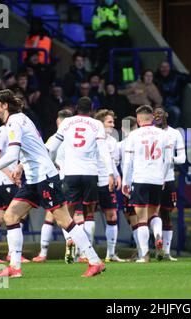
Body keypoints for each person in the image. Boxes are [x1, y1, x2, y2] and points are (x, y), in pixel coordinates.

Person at [0, 89, 106, 278]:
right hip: (34, 178)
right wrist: (21, 166)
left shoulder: (15, 122)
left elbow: (11, 153)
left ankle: (94, 261)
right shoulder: (20, 119)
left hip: (45, 177)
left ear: (4, 105)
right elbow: (35, 148)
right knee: (10, 216)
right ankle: (15, 268)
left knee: (64, 221)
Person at [45, 97, 115, 265]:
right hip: (90, 173)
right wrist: (111, 173)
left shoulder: (67, 122)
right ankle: (85, 251)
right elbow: (103, 150)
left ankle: (69, 239)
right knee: (88, 213)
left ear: (76, 108)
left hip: (70, 173)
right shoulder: (96, 124)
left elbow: (52, 146)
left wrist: (51, 164)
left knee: (67, 212)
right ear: (91, 110)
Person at [122, 105, 172, 263]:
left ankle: (144, 255)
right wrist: (163, 177)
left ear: (138, 119)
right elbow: (168, 160)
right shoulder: (163, 134)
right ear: (152, 118)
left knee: (142, 219)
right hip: (157, 179)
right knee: (154, 214)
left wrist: (125, 181)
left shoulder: (134, 135)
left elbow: (128, 161)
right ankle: (158, 235)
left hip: (140, 179)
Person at [0, 124, 30, 264]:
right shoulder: (1, 132)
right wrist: (10, 174)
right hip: (3, 180)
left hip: (2, 180)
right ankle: (12, 253)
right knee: (21, 212)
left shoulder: (14, 130)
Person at [32, 108, 74, 263]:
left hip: (57, 179)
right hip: (74, 179)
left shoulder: (54, 138)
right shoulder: (75, 139)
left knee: (51, 215)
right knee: (73, 216)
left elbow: (44, 153)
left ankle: (43, 253)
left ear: (58, 122)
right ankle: (80, 251)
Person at [153, 106, 186, 261]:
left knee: (166, 215)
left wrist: (169, 159)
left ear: (166, 114)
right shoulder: (150, 133)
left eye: (160, 113)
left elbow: (182, 158)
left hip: (168, 179)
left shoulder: (175, 133)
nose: (157, 115)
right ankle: (146, 249)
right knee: (150, 214)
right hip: (151, 179)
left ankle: (166, 252)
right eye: (155, 113)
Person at [94, 109, 124, 262]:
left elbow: (112, 162)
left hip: (107, 182)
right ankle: (85, 254)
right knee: (86, 217)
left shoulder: (113, 142)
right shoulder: (91, 138)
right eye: (109, 122)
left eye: (113, 122)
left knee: (112, 215)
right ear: (100, 123)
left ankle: (110, 254)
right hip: (92, 181)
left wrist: (117, 176)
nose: (113, 125)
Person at [154, 61, 191, 127]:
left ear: (170, 68)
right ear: (159, 68)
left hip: (172, 105)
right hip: (158, 105)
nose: (165, 69)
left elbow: (190, 78)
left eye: (167, 67)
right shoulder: (155, 78)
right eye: (162, 67)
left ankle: (172, 131)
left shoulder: (176, 76)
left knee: (176, 111)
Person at [116, 116, 138, 259]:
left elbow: (115, 163)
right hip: (148, 181)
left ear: (123, 129)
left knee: (133, 216)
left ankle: (141, 250)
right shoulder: (144, 141)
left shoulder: (121, 145)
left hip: (129, 184)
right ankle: (143, 246)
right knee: (148, 215)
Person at [92, 0, 129, 74]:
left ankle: (124, 67)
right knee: (109, 45)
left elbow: (124, 25)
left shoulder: (119, 9)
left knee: (128, 41)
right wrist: (103, 24)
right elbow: (95, 25)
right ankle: (111, 68)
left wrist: (116, 25)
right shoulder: (98, 9)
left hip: (117, 34)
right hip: (103, 34)